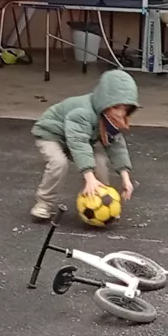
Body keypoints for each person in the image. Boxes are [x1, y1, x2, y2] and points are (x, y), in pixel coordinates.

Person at [29, 67, 137, 222]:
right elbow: (79, 143)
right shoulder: (83, 112)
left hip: (76, 137)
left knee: (99, 161)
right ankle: (44, 204)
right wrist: (89, 177)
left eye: (125, 109)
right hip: (52, 135)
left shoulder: (111, 118)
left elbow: (116, 146)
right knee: (59, 163)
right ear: (105, 100)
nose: (120, 113)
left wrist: (125, 177)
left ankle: (104, 201)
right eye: (115, 106)